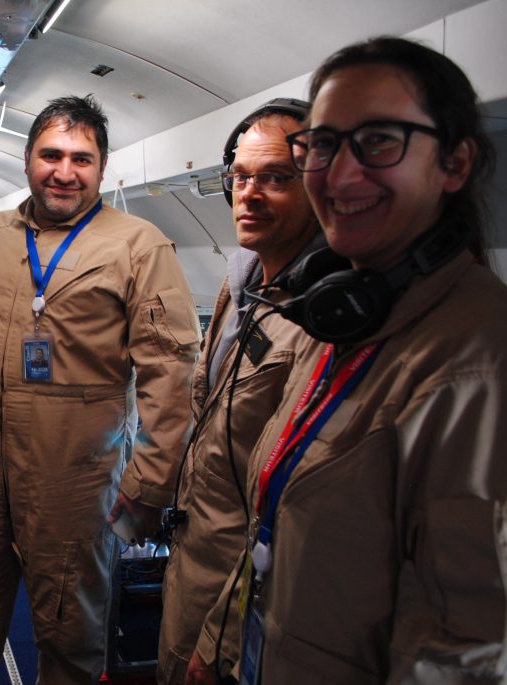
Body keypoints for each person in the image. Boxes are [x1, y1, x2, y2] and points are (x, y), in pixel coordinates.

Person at [231, 36, 507, 684]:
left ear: (454, 162)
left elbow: (469, 657)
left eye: (379, 141)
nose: (340, 174)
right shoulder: (346, 315)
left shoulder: (480, 368)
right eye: (325, 143)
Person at [0, 94, 200, 684]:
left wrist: (150, 481)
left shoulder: (138, 246)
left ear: (103, 169)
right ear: (28, 161)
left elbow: (169, 377)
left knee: (72, 637)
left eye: (82, 158)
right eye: (51, 155)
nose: (65, 172)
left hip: (74, 480)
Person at [156, 99, 326, 685]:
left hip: (243, 589)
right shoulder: (241, 284)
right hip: (194, 549)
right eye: (240, 178)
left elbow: (291, 512)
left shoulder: (319, 319)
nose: (248, 195)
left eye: (276, 179)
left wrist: (221, 634)